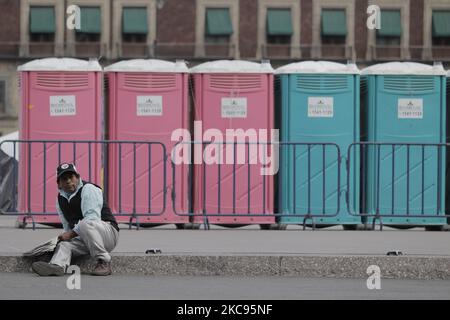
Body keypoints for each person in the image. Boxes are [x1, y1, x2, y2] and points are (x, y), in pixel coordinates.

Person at [31, 163, 119, 276]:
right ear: (59, 184)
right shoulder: (60, 200)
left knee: (85, 224)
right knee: (65, 245)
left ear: (77, 177)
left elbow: (92, 218)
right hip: (87, 237)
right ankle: (57, 266)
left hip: (108, 233)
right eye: (64, 178)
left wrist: (70, 234)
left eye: (71, 177)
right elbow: (67, 227)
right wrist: (56, 243)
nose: (68, 181)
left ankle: (104, 262)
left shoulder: (88, 189)